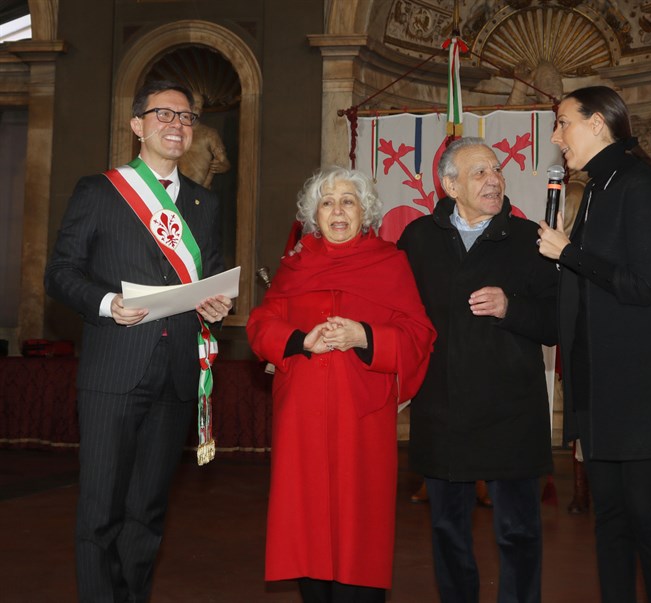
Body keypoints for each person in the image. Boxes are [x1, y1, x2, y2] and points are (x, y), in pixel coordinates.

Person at [44, 79, 232, 602]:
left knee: (147, 512)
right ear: (137, 126)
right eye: (164, 115)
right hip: (114, 371)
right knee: (100, 509)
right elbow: (60, 273)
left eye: (186, 117)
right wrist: (107, 304)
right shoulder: (99, 191)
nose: (177, 125)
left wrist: (217, 304)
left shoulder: (204, 204)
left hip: (176, 373)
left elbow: (209, 275)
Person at [537, 86, 651, 603]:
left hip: (639, 392)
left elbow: (643, 285)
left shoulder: (638, 185)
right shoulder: (600, 189)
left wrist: (569, 252)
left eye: (563, 122)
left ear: (599, 124)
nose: (556, 136)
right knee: (608, 522)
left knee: (649, 525)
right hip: (599, 388)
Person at [246, 166, 436, 603]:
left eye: (348, 201)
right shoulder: (294, 265)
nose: (337, 210)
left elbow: (418, 334)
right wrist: (298, 339)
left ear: (364, 211)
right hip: (302, 421)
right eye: (327, 202)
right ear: (314, 214)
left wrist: (364, 336)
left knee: (359, 528)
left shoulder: (391, 262)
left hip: (362, 419)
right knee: (308, 528)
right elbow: (261, 324)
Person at [397, 137, 558, 603]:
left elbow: (556, 325)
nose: (494, 180)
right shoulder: (418, 239)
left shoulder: (531, 241)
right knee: (448, 533)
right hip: (442, 411)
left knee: (519, 535)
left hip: (513, 412)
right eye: (479, 173)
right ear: (450, 185)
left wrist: (512, 307)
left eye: (496, 170)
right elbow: (394, 310)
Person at [177, 94, 231, 188]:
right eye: (193, 103)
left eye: (199, 104)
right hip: (174, 191)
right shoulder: (175, 131)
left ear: (201, 110)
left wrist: (222, 165)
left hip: (200, 190)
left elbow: (223, 161)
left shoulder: (209, 134)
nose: (195, 107)